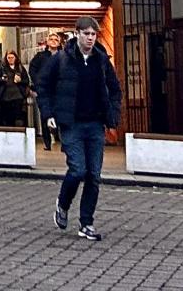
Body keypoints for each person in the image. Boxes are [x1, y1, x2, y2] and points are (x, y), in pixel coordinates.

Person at [36, 16, 122, 242]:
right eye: (86, 34)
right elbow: (42, 85)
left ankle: (87, 223)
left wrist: (113, 113)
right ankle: (63, 204)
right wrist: (49, 114)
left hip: (95, 123)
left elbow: (115, 88)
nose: (90, 38)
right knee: (77, 170)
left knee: (93, 175)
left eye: (94, 34)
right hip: (71, 123)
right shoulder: (61, 59)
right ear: (77, 34)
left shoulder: (102, 60)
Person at [29, 32, 64, 151]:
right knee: (45, 117)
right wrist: (38, 83)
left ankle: (64, 142)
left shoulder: (64, 56)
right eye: (51, 39)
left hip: (60, 92)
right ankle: (47, 142)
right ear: (47, 42)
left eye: (56, 39)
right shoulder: (40, 56)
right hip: (45, 91)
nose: (53, 41)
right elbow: (32, 69)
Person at [0, 50, 31, 127]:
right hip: (5, 97)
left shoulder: (20, 68)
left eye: (12, 57)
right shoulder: (2, 68)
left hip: (18, 96)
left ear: (16, 58)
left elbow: (26, 80)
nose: (10, 59)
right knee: (8, 118)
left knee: (18, 117)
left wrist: (20, 81)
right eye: (9, 58)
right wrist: (2, 79)